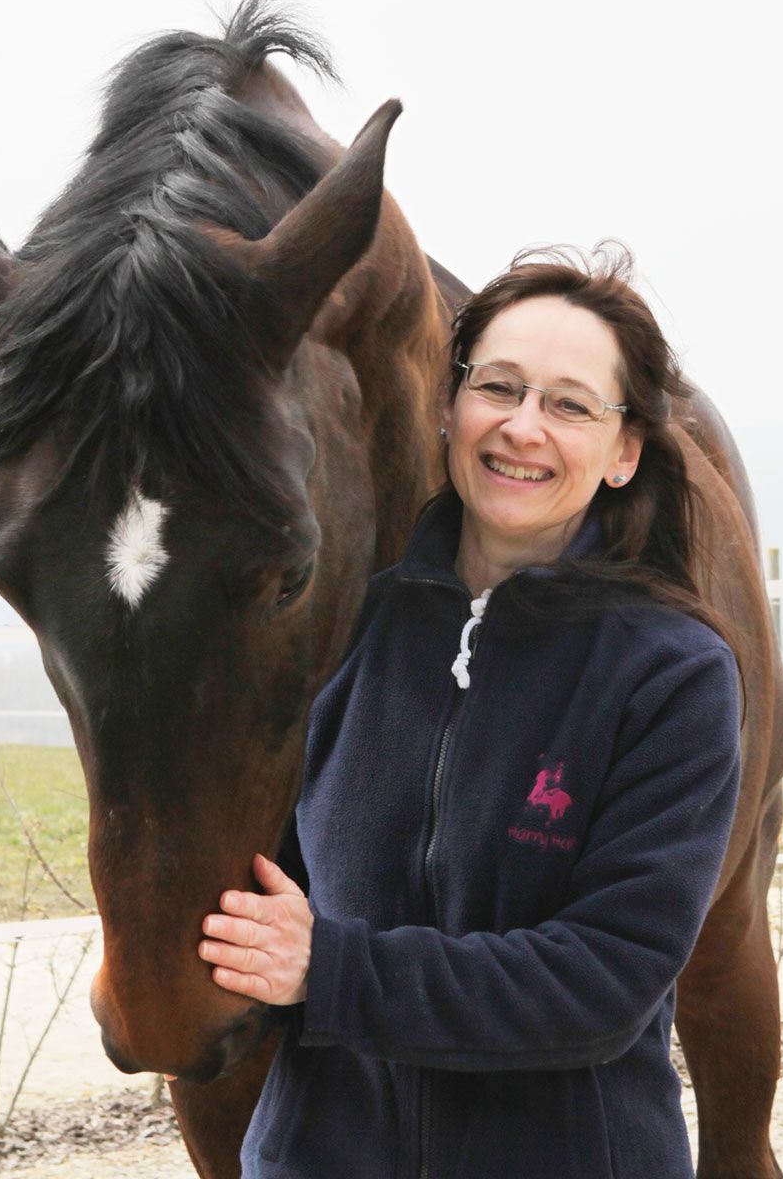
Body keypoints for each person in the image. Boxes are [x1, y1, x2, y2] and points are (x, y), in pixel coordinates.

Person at [198, 244, 741, 1178]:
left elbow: (603, 980)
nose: (523, 426)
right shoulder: (339, 631)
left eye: (570, 404)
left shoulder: (675, 675)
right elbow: (256, 895)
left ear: (624, 454)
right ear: (447, 410)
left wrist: (332, 973)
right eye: (499, 387)